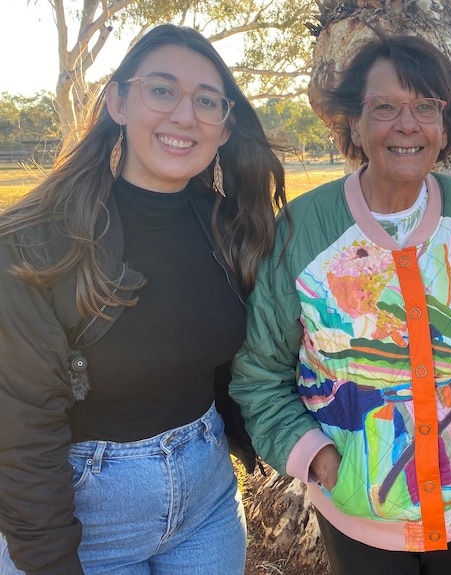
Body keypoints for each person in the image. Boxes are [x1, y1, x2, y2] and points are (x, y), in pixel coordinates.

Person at [0, 24, 286, 575]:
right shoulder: (36, 241)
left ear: (224, 127)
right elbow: (20, 426)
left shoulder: (234, 229)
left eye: (207, 101)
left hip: (207, 498)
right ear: (118, 102)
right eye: (162, 90)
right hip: (85, 510)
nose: (185, 115)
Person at [229, 34, 451, 575]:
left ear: (444, 123)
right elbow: (259, 374)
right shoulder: (302, 233)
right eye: (385, 107)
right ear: (353, 125)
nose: (407, 124)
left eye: (425, 106)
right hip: (356, 511)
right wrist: (321, 458)